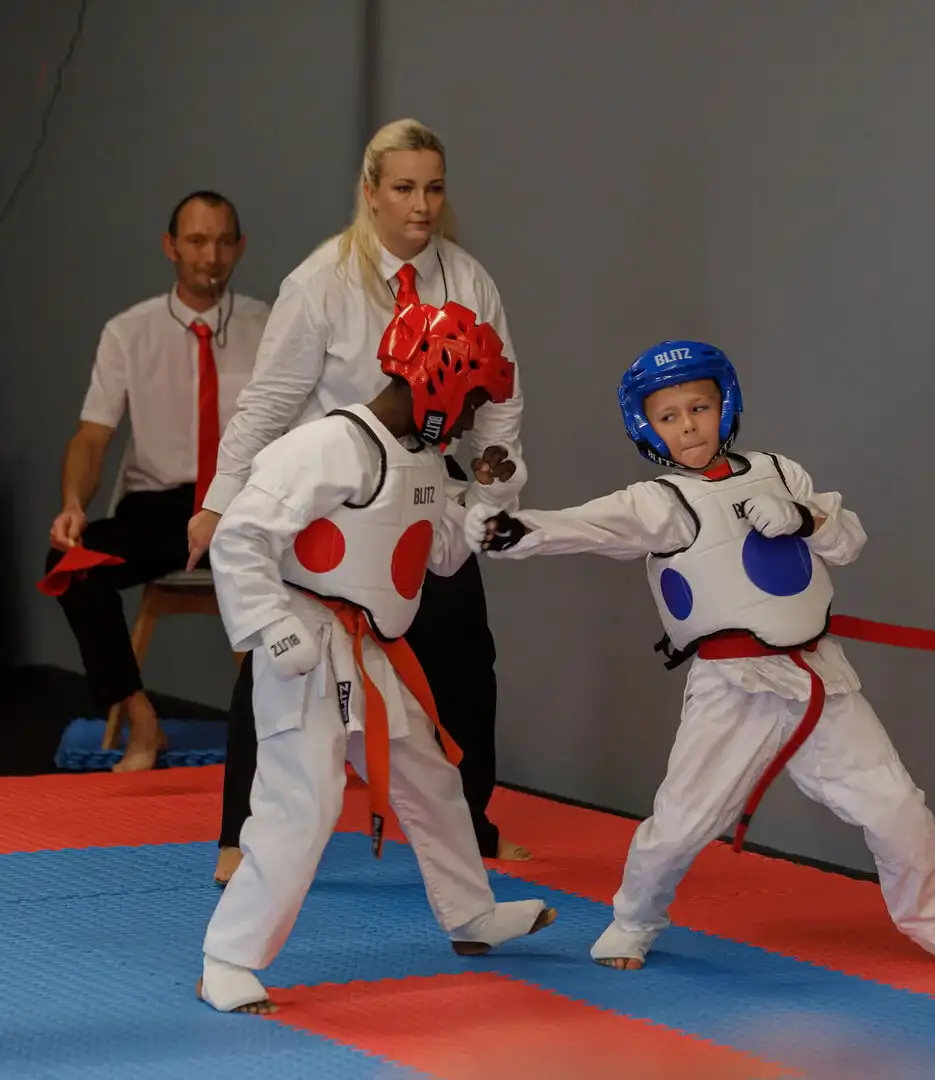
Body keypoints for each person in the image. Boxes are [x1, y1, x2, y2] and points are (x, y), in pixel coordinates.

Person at [464, 340, 935, 974]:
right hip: (732, 686)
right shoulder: (657, 502)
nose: (687, 425)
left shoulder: (780, 471)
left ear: (725, 406)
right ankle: (633, 919)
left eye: (699, 407)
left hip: (820, 676)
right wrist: (510, 529)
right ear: (646, 427)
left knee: (899, 808)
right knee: (682, 824)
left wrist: (801, 518)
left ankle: (931, 917)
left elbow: (849, 543)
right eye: (669, 415)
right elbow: (581, 526)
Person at [187, 118, 530, 885]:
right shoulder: (321, 283)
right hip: (331, 507)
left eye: (434, 188)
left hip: (426, 502)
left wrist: (496, 486)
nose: (421, 205)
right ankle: (238, 834)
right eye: (404, 188)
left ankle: (471, 821)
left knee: (466, 660)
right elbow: (266, 406)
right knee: (274, 667)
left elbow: (499, 404)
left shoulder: (469, 280)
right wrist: (218, 503)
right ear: (370, 192)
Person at [196, 299, 555, 1015]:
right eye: (471, 399)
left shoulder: (420, 459)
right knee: (304, 801)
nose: (470, 416)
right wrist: (271, 624)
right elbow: (238, 536)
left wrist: (483, 496)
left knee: (432, 779)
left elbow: (437, 555)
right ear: (441, 382)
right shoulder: (330, 446)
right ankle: (228, 958)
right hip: (309, 637)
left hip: (368, 649)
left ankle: (470, 915)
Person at [42, 192, 269, 771]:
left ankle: (284, 734)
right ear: (171, 247)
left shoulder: (269, 327)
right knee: (68, 564)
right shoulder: (128, 332)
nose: (210, 256)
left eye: (223, 242)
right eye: (196, 241)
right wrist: (73, 504)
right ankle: (143, 722)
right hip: (160, 508)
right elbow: (92, 436)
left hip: (240, 504)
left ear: (240, 248)